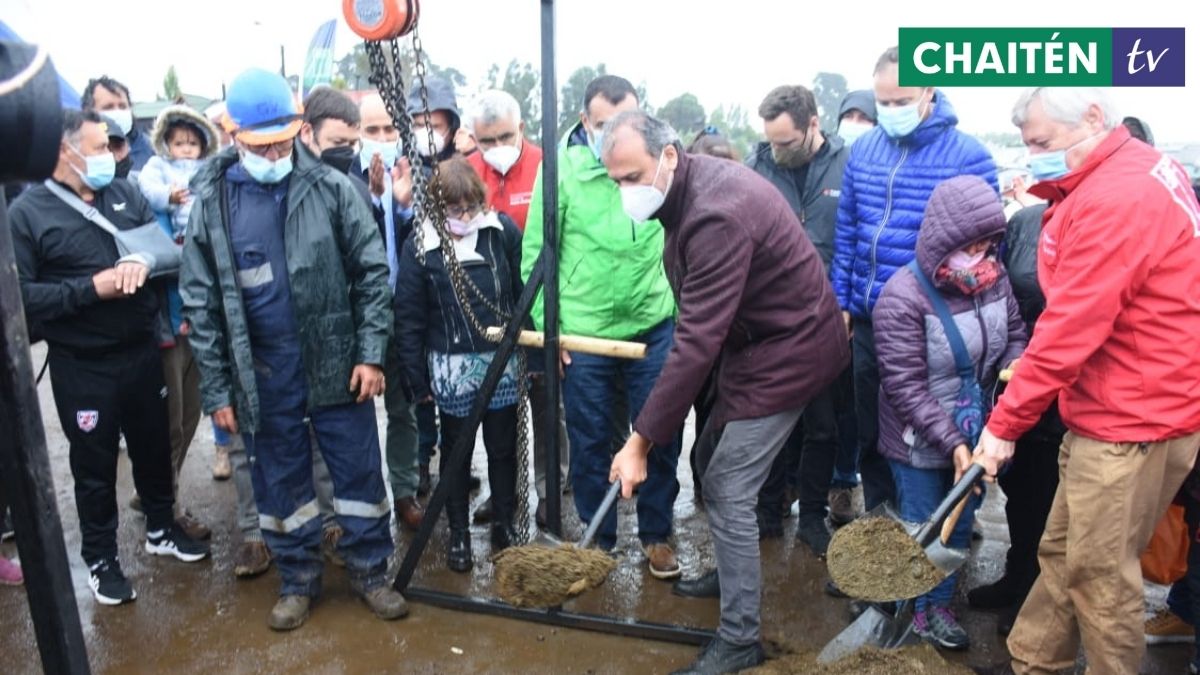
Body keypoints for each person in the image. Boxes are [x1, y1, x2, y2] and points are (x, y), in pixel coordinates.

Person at [604, 111, 847, 675]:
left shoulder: (716, 214)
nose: (626, 192)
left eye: (632, 176)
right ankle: (735, 573)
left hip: (793, 348)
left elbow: (694, 341)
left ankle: (740, 638)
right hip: (757, 341)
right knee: (709, 455)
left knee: (728, 483)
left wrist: (639, 441)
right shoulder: (688, 187)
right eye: (615, 180)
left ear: (668, 155)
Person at [975, 87, 1200, 675]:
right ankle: (1035, 662)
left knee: (1101, 579)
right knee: (1062, 553)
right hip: (1128, 400)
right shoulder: (1145, 168)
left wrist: (1003, 427)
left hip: (1130, 422)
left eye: (1043, 143)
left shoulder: (1117, 195)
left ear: (1095, 117)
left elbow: (1074, 322)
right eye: (1026, 146)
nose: (1034, 158)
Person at [180, 68, 406, 630]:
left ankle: (371, 572)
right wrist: (217, 390)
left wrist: (371, 353)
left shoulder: (331, 188)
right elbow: (202, 305)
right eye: (263, 144)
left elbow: (372, 273)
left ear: (299, 128)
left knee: (358, 472)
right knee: (280, 480)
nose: (276, 151)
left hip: (337, 361)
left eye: (285, 138)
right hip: (263, 370)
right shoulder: (212, 204)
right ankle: (299, 579)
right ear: (235, 135)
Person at [11, 109, 209, 606]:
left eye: (112, 146)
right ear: (64, 151)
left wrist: (143, 260)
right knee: (94, 465)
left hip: (141, 350)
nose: (111, 156)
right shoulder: (27, 215)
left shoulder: (124, 193)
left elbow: (166, 252)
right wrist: (90, 289)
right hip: (83, 364)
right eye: (99, 147)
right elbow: (19, 297)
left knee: (154, 445)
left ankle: (161, 530)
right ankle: (101, 559)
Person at [523, 75, 683, 579]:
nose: (611, 133)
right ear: (584, 120)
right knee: (590, 438)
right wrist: (552, 330)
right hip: (584, 332)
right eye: (601, 123)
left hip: (652, 322)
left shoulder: (660, 164)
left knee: (659, 433)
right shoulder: (563, 170)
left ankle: (656, 535)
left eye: (624, 122)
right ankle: (600, 539)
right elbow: (537, 252)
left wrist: (678, 313)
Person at [833, 46, 997, 513]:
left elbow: (985, 251)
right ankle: (883, 529)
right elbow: (847, 229)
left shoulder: (969, 155)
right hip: (869, 319)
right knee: (872, 430)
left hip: (934, 324)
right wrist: (840, 301)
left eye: (901, 101)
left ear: (929, 92)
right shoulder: (863, 150)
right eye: (882, 102)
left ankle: (946, 522)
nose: (890, 111)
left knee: (934, 431)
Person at [873, 175, 1026, 650]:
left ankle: (936, 605)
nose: (979, 256)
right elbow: (904, 386)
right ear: (944, 240)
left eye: (987, 245)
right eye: (970, 246)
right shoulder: (902, 297)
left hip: (977, 432)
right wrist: (954, 444)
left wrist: (1013, 368)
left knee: (958, 525)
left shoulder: (993, 280)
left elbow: (1016, 333)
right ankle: (911, 611)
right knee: (923, 525)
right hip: (919, 438)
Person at [394, 157, 523, 571]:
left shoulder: (501, 233)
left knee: (503, 450)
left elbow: (523, 294)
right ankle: (459, 535)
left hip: (500, 364)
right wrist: (417, 381)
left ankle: (504, 525)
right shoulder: (420, 246)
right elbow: (409, 318)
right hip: (450, 371)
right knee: (456, 455)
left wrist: (532, 357)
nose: (464, 216)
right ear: (436, 207)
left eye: (470, 207)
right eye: (454, 209)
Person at [746, 85, 853, 552]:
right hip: (771, 321)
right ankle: (769, 511)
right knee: (770, 422)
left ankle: (811, 516)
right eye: (771, 141)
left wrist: (847, 303)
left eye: (786, 142)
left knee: (823, 424)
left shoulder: (848, 165)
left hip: (829, 318)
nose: (777, 151)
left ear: (813, 126)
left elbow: (856, 235)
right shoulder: (755, 170)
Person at [465, 89, 567, 525]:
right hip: (489, 311)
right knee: (498, 412)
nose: (496, 148)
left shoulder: (549, 166)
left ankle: (550, 489)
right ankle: (501, 492)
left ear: (521, 128)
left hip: (540, 306)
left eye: (505, 136)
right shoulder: (465, 173)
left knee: (547, 408)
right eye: (486, 141)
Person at [965, 197, 1059, 637]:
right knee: (1020, 491)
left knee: (1052, 501)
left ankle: (1037, 604)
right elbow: (999, 286)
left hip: (1072, 381)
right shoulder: (1026, 221)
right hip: (1021, 373)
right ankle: (1016, 575)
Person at [136, 104, 223, 542]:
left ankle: (155, 491)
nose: (186, 149)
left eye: (193, 142)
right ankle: (165, 506)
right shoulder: (149, 179)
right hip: (165, 321)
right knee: (172, 420)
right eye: (179, 142)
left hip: (197, 317)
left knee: (190, 416)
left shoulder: (210, 176)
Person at [353, 91, 424, 532]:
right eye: (371, 131)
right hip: (361, 315)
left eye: (389, 130)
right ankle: (361, 501)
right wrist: (374, 201)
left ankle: (404, 490)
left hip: (404, 311)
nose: (381, 139)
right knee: (354, 413)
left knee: (405, 410)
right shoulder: (342, 177)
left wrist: (400, 206)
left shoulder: (418, 171)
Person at [81, 75, 153, 172]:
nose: (117, 112)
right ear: (89, 112)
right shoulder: (78, 151)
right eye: (108, 107)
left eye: (123, 106)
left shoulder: (151, 148)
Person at [408, 76, 463, 167]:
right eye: (419, 125)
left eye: (434, 127)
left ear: (451, 132)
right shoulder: (398, 161)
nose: (426, 132)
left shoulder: (465, 165)